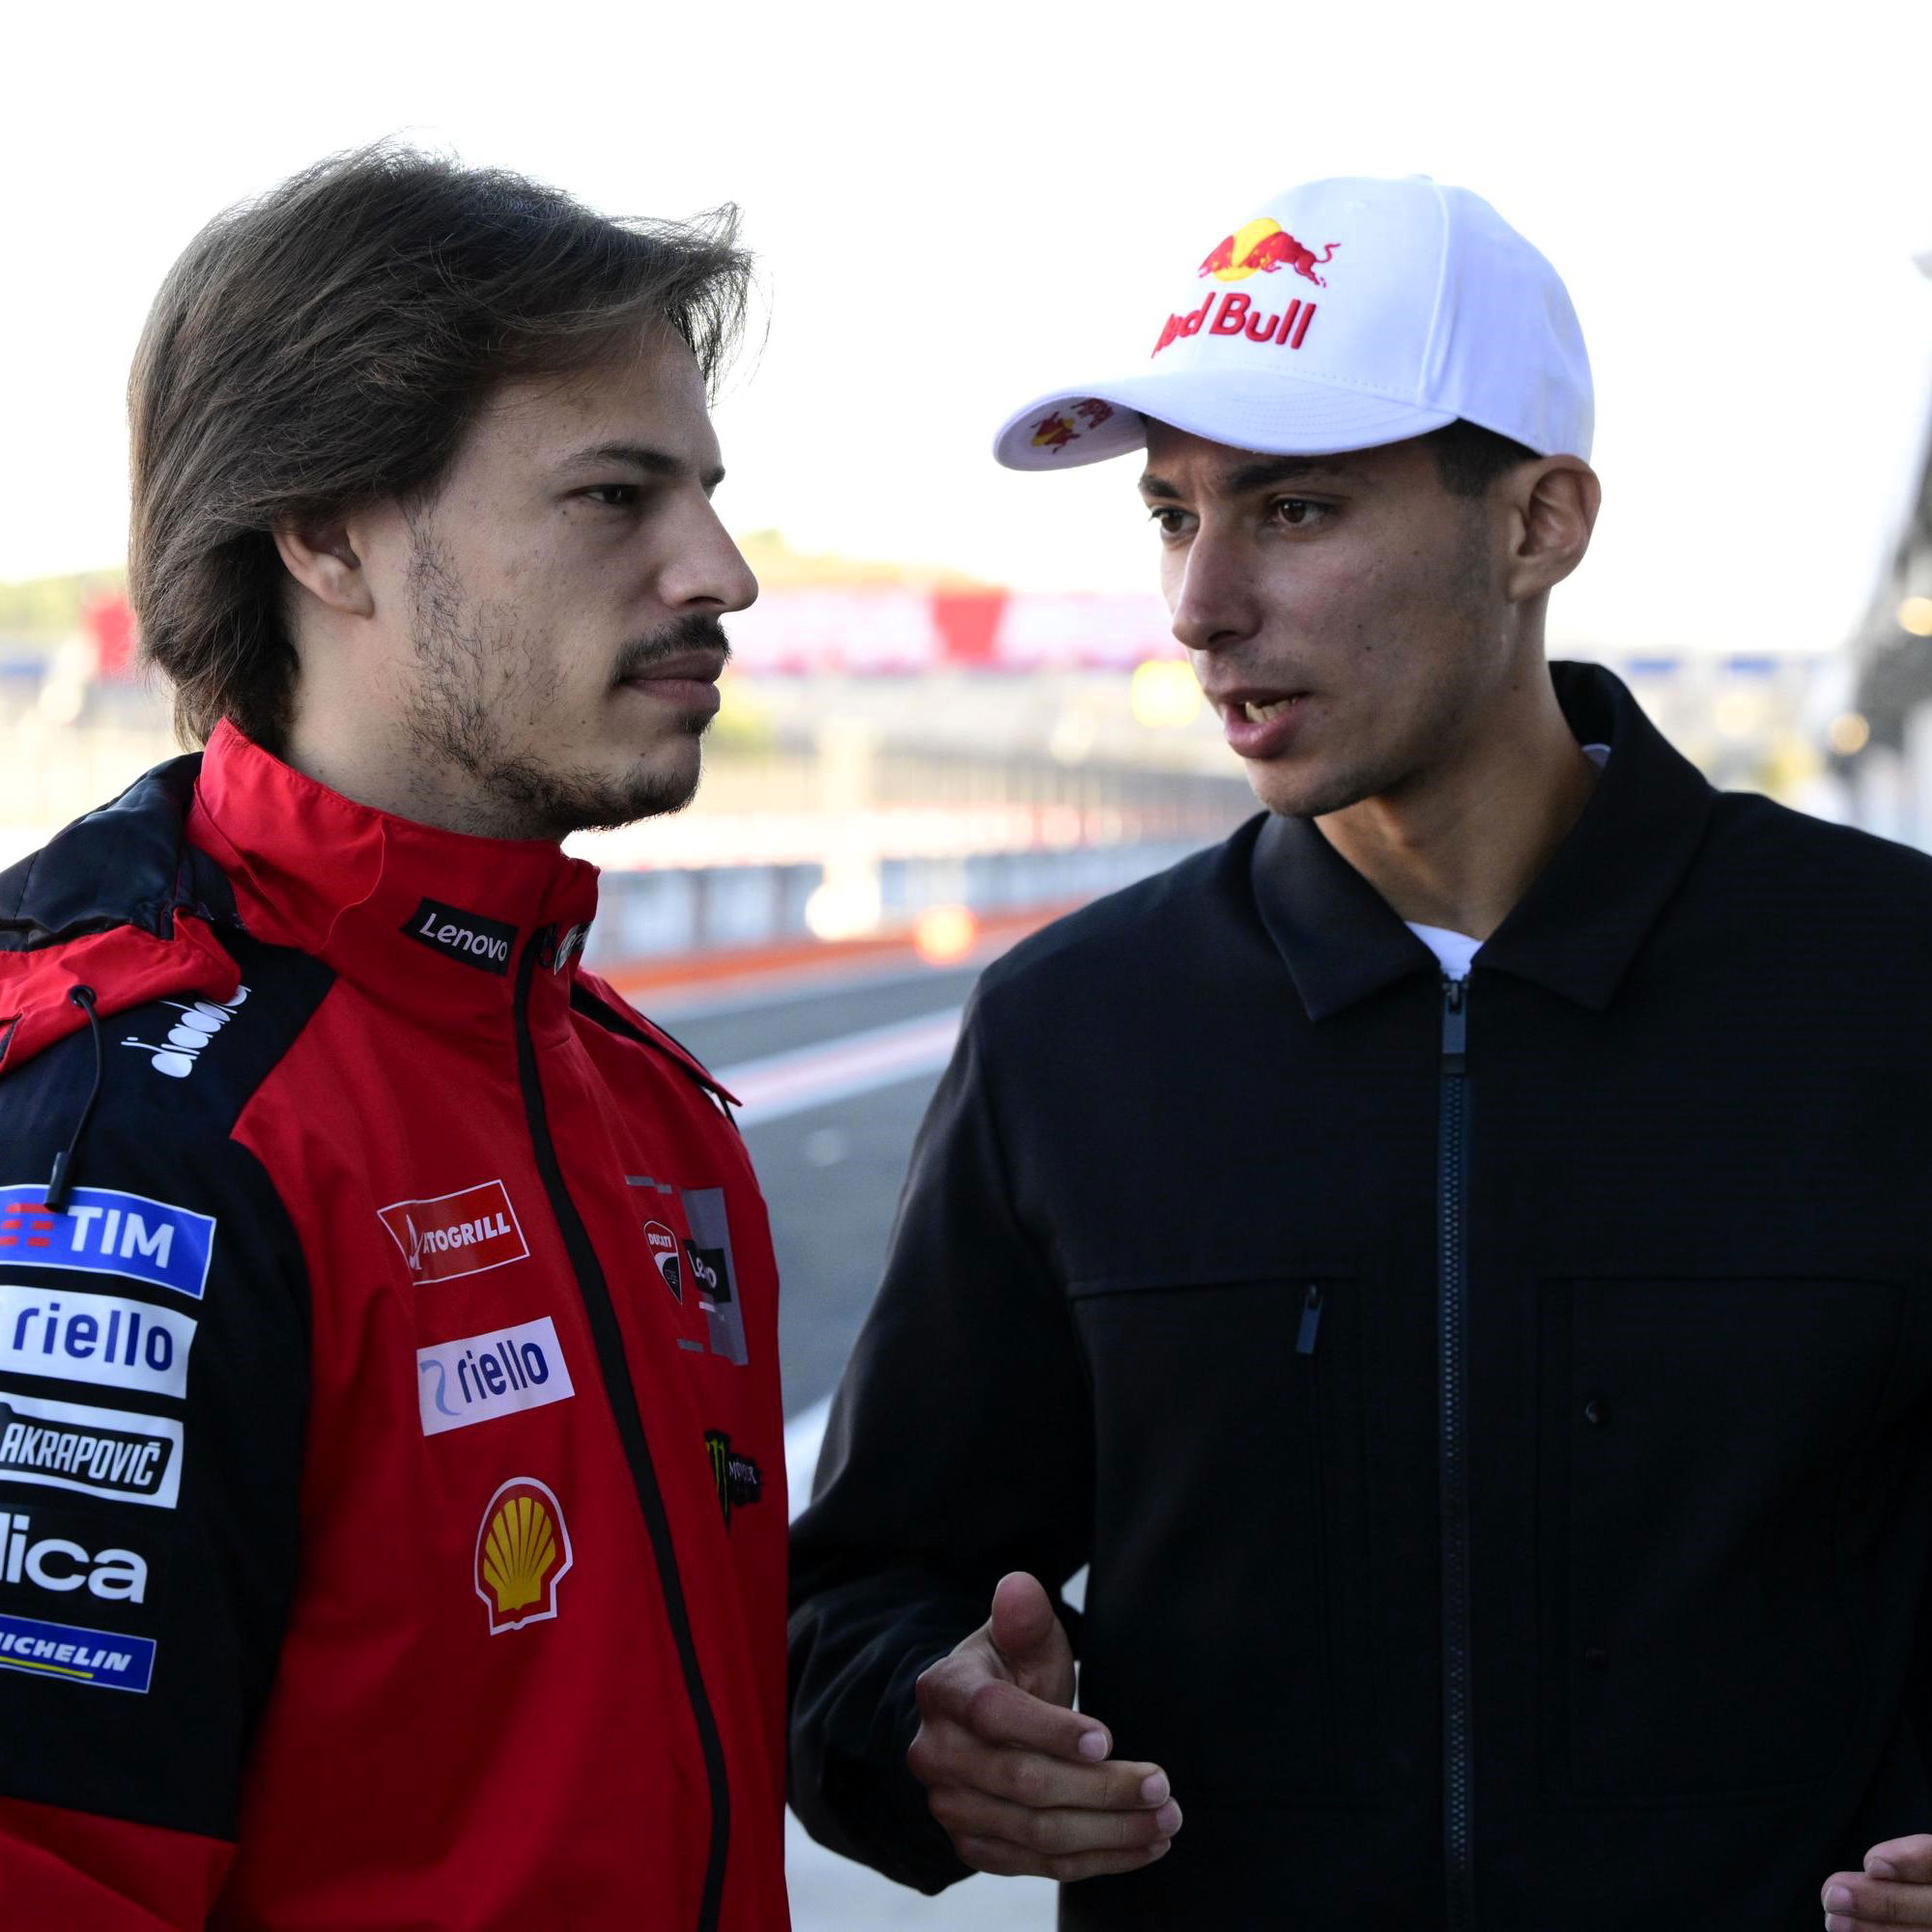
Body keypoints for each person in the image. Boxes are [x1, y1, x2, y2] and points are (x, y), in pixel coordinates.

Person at [787, 175, 1932, 1931]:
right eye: (1171, 516)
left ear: (1540, 525)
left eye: (1296, 508)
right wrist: (923, 1728)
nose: (1200, 603)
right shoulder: (1076, 1031)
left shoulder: (1889, 983)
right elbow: (859, 1594)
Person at [0, 146, 789, 1930]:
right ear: (330, 533)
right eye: (614, 496)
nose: (722, 571)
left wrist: (886, 1713)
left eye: (709, 494)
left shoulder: (634, 1093)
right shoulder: (119, 1123)